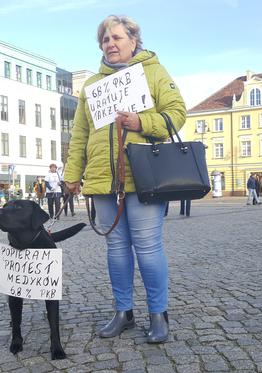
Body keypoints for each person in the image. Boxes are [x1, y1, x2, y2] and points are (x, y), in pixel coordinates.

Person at [63, 15, 186, 344]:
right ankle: (123, 312)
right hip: (103, 180)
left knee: (147, 249)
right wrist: (72, 175)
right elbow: (80, 136)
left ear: (134, 41)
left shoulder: (153, 72)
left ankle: (158, 314)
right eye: (105, 40)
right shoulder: (91, 87)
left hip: (144, 176)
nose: (110, 44)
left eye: (116, 37)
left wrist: (141, 121)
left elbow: (177, 113)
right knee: (116, 250)